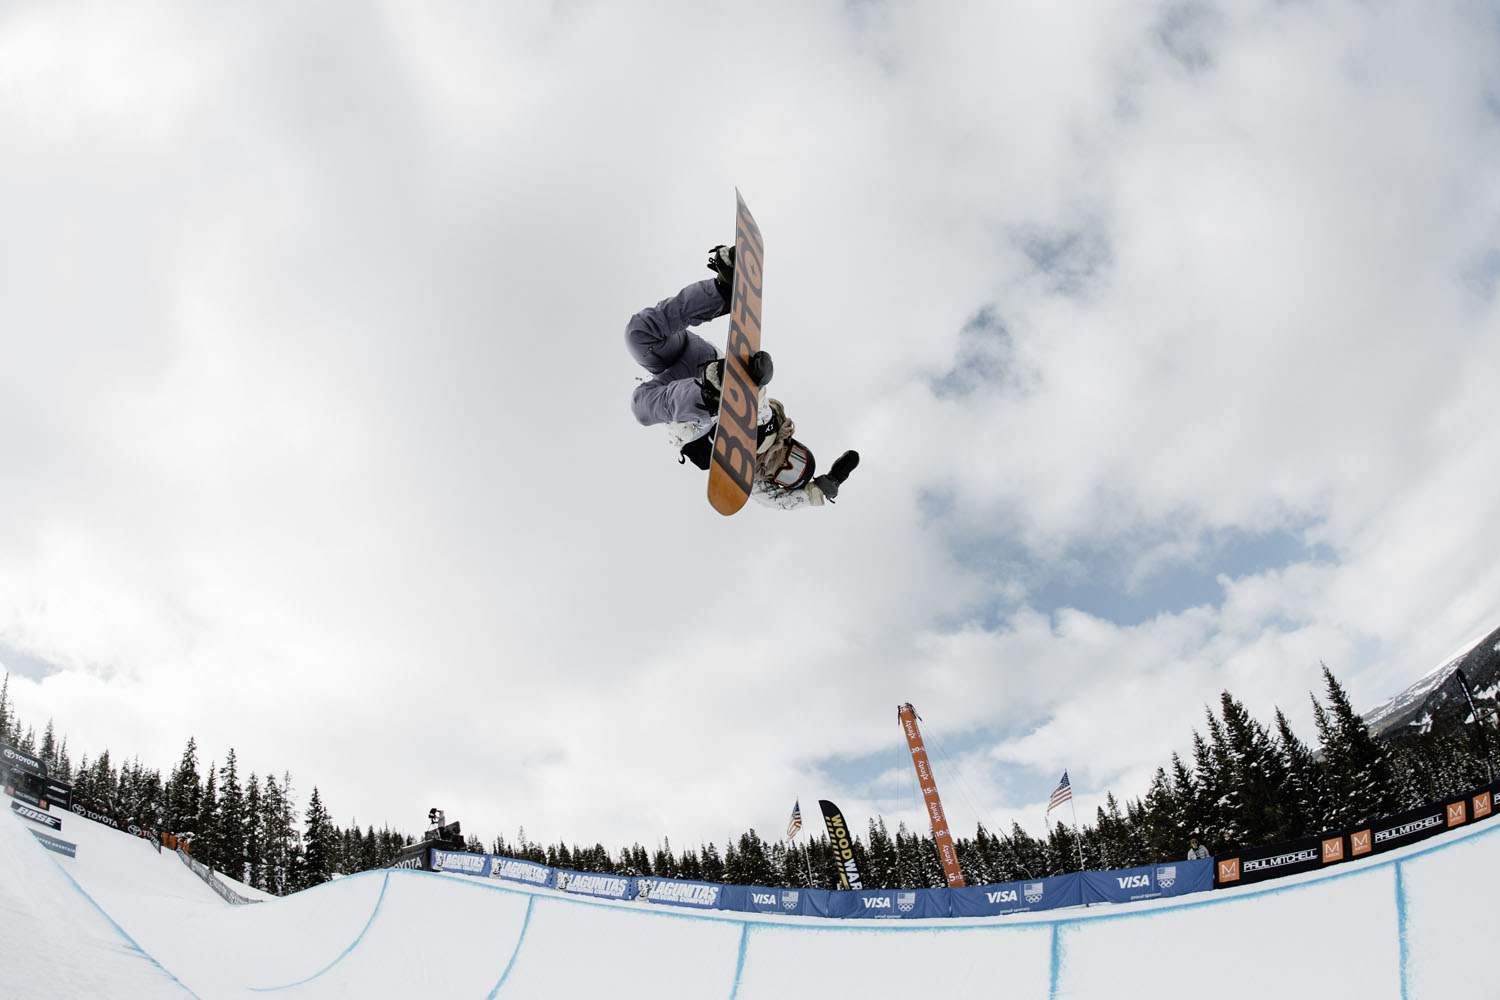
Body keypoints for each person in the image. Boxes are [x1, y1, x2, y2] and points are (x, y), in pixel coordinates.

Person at [625, 245, 858, 510]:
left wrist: (814, 494)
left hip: (683, 402)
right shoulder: (772, 427)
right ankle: (720, 292)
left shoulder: (749, 475)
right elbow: (757, 410)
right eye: (796, 458)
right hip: (706, 365)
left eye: (788, 475)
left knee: (640, 403)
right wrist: (754, 381)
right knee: (639, 332)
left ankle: (709, 393)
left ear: (776, 483)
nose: (784, 464)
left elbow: (778, 502)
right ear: (795, 444)